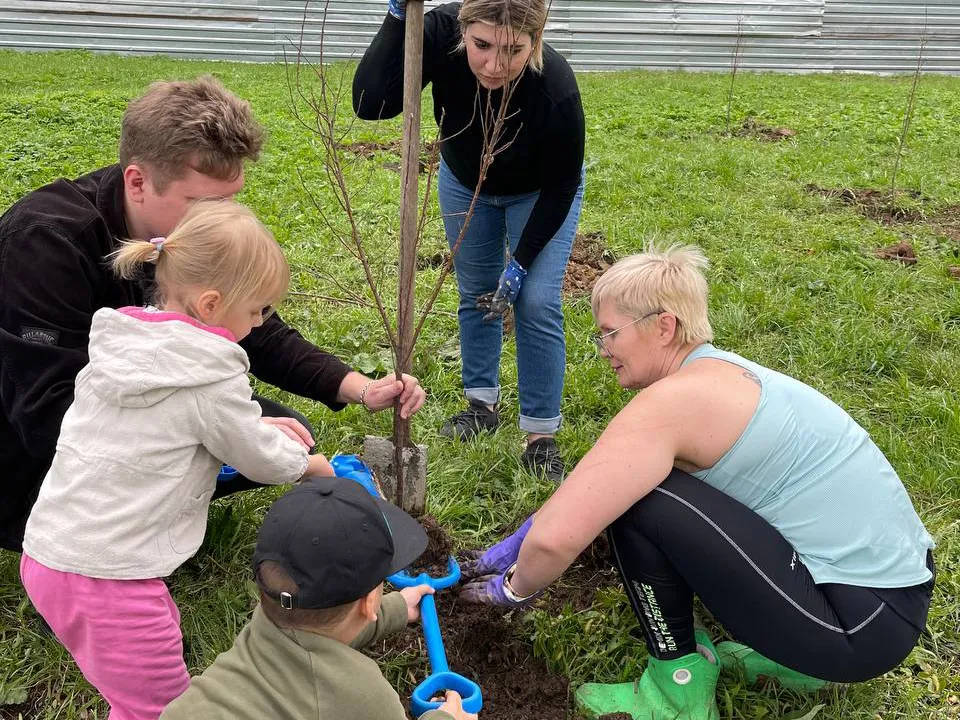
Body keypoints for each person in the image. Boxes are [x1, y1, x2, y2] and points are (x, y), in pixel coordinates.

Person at [458, 245, 936, 719]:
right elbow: (591, 488)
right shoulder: (725, 374)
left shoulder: (672, 404)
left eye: (610, 334)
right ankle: (793, 655)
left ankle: (675, 693)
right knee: (639, 488)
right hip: (889, 603)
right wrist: (529, 531)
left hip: (857, 629)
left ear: (664, 327)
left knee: (641, 502)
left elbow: (557, 539)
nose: (603, 350)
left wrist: (510, 589)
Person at [0, 75, 425, 553]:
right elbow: (44, 412)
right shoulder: (47, 241)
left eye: (231, 199)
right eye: (205, 203)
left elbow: (254, 330)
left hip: (131, 407)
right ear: (137, 182)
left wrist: (360, 388)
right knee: (251, 437)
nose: (220, 217)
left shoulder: (182, 228)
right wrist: (219, 437)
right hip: (30, 452)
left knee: (281, 433)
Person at [19, 200, 343, 719]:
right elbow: (257, 458)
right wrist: (306, 465)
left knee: (132, 687)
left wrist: (252, 422)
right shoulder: (209, 374)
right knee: (169, 710)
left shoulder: (130, 346)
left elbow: (171, 423)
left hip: (52, 552)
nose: (261, 323)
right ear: (212, 304)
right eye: (258, 310)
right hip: (109, 578)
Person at [353, 0, 585, 481]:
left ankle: (540, 434)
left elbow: (563, 186)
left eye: (513, 50)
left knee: (536, 301)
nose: (494, 65)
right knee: (476, 290)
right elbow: (370, 104)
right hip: (464, 182)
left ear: (535, 40)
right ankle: (481, 405)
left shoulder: (556, 87)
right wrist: (398, 16)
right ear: (463, 30)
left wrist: (520, 262)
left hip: (539, 192)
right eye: (481, 45)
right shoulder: (436, 31)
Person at [160, 475, 477, 720]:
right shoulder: (363, 695)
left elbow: (316, 633)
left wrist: (396, 608)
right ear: (368, 604)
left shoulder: (269, 624)